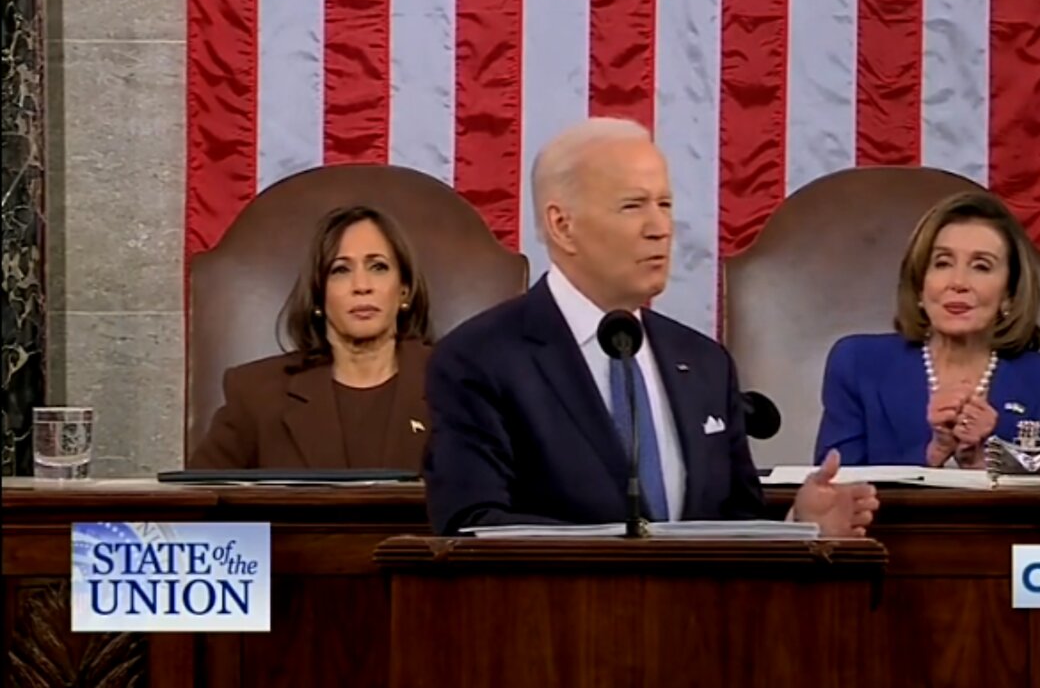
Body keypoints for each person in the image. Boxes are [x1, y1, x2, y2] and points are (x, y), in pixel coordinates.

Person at [424, 117, 878, 537]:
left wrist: (798, 525)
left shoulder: (704, 363)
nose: (660, 227)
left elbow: (733, 524)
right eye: (632, 206)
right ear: (562, 226)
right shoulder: (480, 360)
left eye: (664, 204)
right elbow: (471, 526)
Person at [814, 191, 1040, 468]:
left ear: (1009, 294)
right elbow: (833, 487)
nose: (958, 282)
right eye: (942, 263)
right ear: (921, 284)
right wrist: (932, 454)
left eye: (981, 266)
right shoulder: (858, 364)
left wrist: (984, 462)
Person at [189, 205, 433, 470]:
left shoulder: (457, 387)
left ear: (404, 292)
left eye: (378, 267)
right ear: (318, 296)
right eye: (340, 270)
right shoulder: (256, 394)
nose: (362, 286)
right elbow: (200, 501)